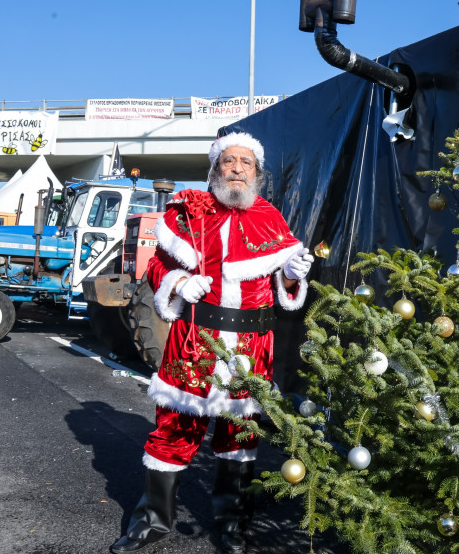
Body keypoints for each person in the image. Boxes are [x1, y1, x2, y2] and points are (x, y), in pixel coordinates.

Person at [110, 132, 314, 554]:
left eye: (247, 163)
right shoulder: (189, 213)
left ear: (257, 173)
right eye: (229, 160)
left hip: (251, 345)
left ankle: (233, 526)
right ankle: (153, 522)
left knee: (240, 437)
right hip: (195, 340)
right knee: (173, 429)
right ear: (215, 168)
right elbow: (158, 268)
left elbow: (283, 287)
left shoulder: (270, 217)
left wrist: (292, 273)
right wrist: (182, 282)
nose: (238, 168)